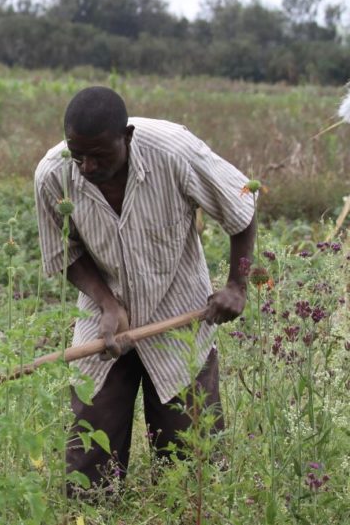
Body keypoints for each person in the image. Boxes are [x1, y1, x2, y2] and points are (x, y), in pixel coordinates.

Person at [33, 86, 256, 497]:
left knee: (190, 464)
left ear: (128, 137)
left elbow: (241, 207)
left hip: (179, 312)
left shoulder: (174, 152)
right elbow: (66, 253)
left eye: (100, 154)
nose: (87, 165)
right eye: (77, 153)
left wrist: (237, 286)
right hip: (105, 317)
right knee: (89, 456)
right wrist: (107, 304)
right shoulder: (53, 175)